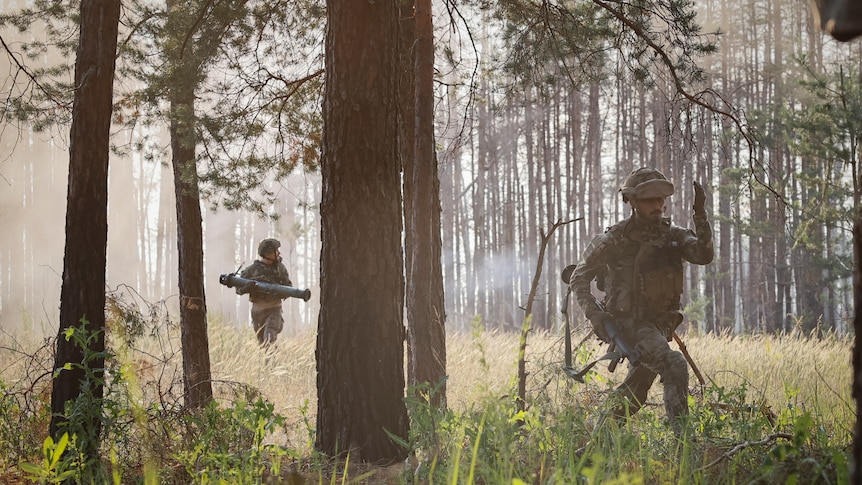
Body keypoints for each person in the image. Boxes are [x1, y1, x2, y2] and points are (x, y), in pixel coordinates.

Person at [570, 167, 714, 434]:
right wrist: (595, 315)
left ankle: (596, 447)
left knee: (634, 393)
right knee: (674, 364)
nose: (658, 205)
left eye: (661, 199)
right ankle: (686, 447)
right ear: (632, 202)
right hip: (630, 324)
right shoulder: (615, 238)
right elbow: (579, 276)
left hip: (660, 325)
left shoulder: (673, 235)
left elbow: (703, 255)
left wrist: (700, 214)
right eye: (650, 200)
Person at [237, 238, 293, 347]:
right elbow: (238, 289)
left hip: (274, 310)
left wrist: (278, 291)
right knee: (262, 344)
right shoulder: (251, 270)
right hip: (257, 312)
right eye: (276, 250)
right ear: (268, 253)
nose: (279, 253)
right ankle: (270, 363)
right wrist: (247, 288)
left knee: (269, 338)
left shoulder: (280, 269)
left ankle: (271, 362)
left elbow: (288, 287)